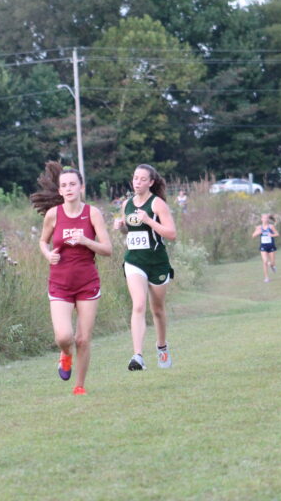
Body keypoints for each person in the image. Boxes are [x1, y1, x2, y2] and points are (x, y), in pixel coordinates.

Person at [32, 162, 112, 395]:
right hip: (60, 284)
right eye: (64, 185)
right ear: (59, 191)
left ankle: (79, 386)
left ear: (81, 188)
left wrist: (87, 241)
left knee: (83, 340)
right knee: (64, 336)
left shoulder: (92, 213)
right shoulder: (53, 214)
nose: (68, 189)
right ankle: (65, 355)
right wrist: (48, 254)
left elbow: (108, 249)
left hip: (87, 282)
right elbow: (42, 241)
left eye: (72, 184)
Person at [113, 164, 177, 371]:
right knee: (138, 304)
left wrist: (149, 220)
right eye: (135, 178)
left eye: (142, 179)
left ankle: (162, 346)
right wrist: (122, 227)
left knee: (157, 309)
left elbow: (171, 234)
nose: (137, 182)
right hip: (134, 260)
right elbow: (129, 232)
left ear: (151, 182)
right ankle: (138, 356)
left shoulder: (157, 204)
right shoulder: (127, 204)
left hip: (157, 262)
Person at [252, 213, 279, 282]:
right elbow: (253, 235)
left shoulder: (271, 227)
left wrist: (272, 235)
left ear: (268, 219)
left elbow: (277, 234)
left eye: (266, 218)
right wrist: (258, 233)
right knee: (265, 261)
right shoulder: (259, 227)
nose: (265, 219)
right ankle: (266, 278)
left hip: (271, 246)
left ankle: (272, 265)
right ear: (261, 219)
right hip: (263, 246)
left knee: (272, 262)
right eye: (264, 218)